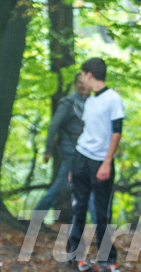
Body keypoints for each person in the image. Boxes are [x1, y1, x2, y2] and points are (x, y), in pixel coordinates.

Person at [68, 58, 125, 272]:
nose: (81, 79)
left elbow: (117, 132)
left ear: (89, 75)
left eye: (83, 75)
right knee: (78, 209)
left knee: (102, 213)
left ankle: (107, 259)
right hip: (81, 158)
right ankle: (75, 255)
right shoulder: (89, 101)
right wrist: (75, 165)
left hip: (102, 162)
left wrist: (107, 162)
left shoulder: (113, 99)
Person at [36, 74, 91, 218]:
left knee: (78, 185)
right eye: (78, 82)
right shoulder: (68, 102)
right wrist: (48, 148)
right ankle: (37, 216)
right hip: (70, 148)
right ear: (74, 84)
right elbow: (54, 124)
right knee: (63, 184)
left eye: (84, 83)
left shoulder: (92, 103)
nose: (82, 85)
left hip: (84, 150)